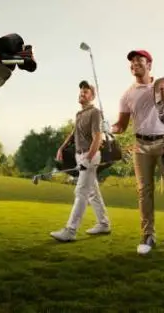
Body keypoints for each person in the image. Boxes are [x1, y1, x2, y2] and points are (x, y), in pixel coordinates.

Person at [110, 49, 164, 255]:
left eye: (139, 60)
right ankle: (148, 235)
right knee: (144, 192)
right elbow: (122, 125)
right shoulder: (127, 94)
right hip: (141, 146)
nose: (134, 64)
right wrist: (111, 128)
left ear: (149, 65)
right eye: (132, 61)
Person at [49, 80, 112, 242]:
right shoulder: (79, 114)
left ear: (92, 96)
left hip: (90, 155)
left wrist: (88, 159)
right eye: (81, 91)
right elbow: (73, 133)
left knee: (81, 192)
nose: (81, 93)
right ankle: (104, 223)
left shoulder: (95, 113)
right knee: (92, 193)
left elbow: (97, 138)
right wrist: (61, 148)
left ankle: (70, 230)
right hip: (80, 155)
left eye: (85, 91)